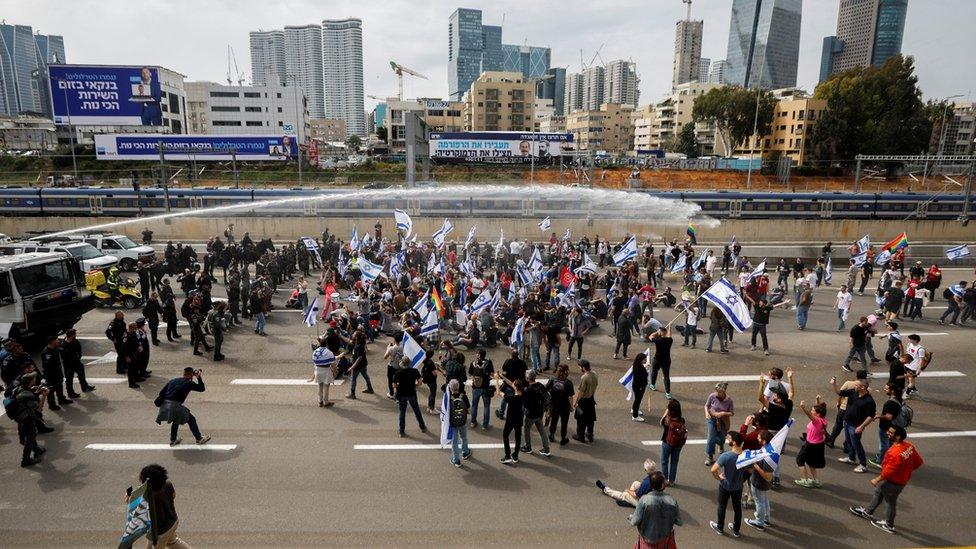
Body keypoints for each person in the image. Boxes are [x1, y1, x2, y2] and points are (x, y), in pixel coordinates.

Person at [850, 426, 924, 534]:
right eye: (888, 430)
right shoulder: (909, 446)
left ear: (898, 436)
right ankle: (868, 512)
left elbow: (889, 471)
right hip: (899, 480)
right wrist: (905, 470)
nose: (887, 433)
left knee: (890, 502)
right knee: (879, 493)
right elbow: (918, 462)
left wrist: (877, 479)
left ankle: (889, 525)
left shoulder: (895, 453)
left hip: (893, 482)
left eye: (891, 432)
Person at [132, 464, 191, 548]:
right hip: (173, 521)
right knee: (172, 541)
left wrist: (129, 498)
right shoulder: (168, 484)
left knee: (158, 545)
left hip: (161, 531)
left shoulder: (149, 496)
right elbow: (173, 495)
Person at [155, 367, 210, 446]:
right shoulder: (188, 383)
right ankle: (199, 439)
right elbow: (202, 388)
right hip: (175, 406)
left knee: (176, 419)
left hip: (165, 405)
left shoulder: (173, 380)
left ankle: (173, 440)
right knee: (191, 419)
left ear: (183, 373)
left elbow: (161, 393)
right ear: (191, 375)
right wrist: (198, 377)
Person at [831, 375, 875, 473]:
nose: (854, 386)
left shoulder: (869, 401)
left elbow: (871, 416)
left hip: (856, 426)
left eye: (856, 385)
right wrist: (834, 384)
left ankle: (863, 464)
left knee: (856, 444)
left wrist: (861, 426)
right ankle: (851, 458)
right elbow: (840, 392)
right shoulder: (853, 392)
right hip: (847, 422)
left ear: (863, 387)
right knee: (849, 441)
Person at [629, 471, 682, 549]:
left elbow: (634, 522)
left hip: (647, 541)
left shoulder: (644, 500)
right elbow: (679, 522)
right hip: (664, 541)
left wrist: (631, 517)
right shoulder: (672, 501)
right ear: (663, 485)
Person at [709, 431, 747, 538]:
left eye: (729, 438)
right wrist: (742, 478)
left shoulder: (726, 456)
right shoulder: (745, 455)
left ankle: (720, 528)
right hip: (738, 486)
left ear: (734, 442)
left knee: (722, 506)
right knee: (737, 508)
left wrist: (719, 478)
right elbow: (751, 470)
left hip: (725, 485)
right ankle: (736, 530)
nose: (728, 439)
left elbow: (713, 470)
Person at [10, 373, 47, 467]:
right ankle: (25, 460)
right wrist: (44, 395)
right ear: (30, 381)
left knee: (31, 434)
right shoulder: (27, 395)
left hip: (19, 417)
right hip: (26, 418)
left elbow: (27, 393)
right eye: (34, 379)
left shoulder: (18, 389)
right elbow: (39, 408)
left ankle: (36, 450)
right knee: (30, 437)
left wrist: (37, 390)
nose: (35, 380)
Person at [744, 430, 775, 532]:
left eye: (759, 438)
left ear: (764, 441)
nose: (757, 438)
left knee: (759, 502)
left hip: (759, 483)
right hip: (763, 484)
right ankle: (766, 519)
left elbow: (768, 476)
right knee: (764, 500)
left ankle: (759, 522)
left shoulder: (768, 457)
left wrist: (756, 466)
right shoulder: (769, 449)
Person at [795, 397, 828, 488]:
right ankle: (815, 480)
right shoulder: (823, 420)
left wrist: (803, 407)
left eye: (813, 410)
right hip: (819, 444)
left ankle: (805, 480)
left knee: (800, 460)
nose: (811, 410)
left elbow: (809, 414)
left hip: (810, 445)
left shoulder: (816, 421)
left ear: (817, 414)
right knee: (811, 462)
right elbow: (820, 409)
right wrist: (817, 401)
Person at [869, 383, 904, 469]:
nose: (884, 389)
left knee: (884, 445)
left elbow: (889, 416)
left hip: (886, 427)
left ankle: (880, 461)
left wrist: (878, 416)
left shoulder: (891, 403)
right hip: (894, 426)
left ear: (892, 391)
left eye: (886, 389)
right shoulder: (898, 399)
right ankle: (887, 458)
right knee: (890, 444)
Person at [392, 356, 427, 437]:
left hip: (402, 394)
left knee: (402, 412)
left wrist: (399, 386)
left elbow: (394, 385)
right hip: (412, 393)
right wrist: (415, 385)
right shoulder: (414, 371)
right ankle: (422, 427)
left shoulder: (398, 372)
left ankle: (402, 431)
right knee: (416, 410)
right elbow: (420, 382)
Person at [521, 370, 551, 457]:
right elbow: (547, 397)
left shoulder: (528, 390)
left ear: (527, 378)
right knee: (542, 431)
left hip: (530, 414)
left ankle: (528, 447)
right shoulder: (540, 386)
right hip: (539, 413)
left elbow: (525, 404)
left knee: (526, 430)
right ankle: (546, 449)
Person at [497, 373, 524, 465]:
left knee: (505, 435)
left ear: (515, 388)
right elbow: (511, 383)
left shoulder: (512, 398)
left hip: (511, 419)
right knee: (518, 437)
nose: (512, 384)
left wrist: (497, 380)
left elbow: (498, 392)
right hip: (519, 418)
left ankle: (507, 456)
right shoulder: (522, 394)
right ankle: (515, 455)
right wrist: (502, 376)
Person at [704, 382, 734, 466]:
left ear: (723, 392)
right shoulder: (712, 396)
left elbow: (732, 413)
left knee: (721, 438)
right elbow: (706, 406)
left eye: (719, 392)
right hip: (712, 419)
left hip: (723, 420)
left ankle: (721, 446)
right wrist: (707, 413)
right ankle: (710, 458)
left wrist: (723, 413)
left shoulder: (729, 400)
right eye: (716, 391)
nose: (716, 393)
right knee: (711, 438)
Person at [546, 364, 575, 446]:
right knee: (564, 423)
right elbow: (570, 397)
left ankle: (551, 435)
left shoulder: (552, 380)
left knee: (554, 421)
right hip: (565, 407)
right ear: (566, 371)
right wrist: (571, 406)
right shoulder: (568, 383)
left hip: (554, 405)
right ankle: (563, 438)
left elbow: (546, 389)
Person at [40, 335, 70, 410]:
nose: (58, 341)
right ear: (52, 342)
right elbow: (47, 365)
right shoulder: (47, 353)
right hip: (51, 374)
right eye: (56, 340)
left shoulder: (55, 348)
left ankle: (61, 399)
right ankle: (52, 405)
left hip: (58, 372)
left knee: (59, 386)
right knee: (51, 390)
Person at [60, 329, 94, 396]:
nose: (76, 335)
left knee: (81, 375)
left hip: (76, 362)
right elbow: (63, 356)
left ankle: (84, 387)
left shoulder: (75, 341)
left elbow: (79, 350)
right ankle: (70, 393)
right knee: (69, 379)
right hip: (68, 365)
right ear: (72, 335)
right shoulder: (63, 345)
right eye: (75, 334)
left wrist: (78, 357)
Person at [660, 399, 686, 486]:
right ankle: (672, 481)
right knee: (674, 462)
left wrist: (666, 412)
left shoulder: (668, 420)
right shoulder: (682, 420)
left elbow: (661, 422)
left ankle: (665, 480)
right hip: (678, 444)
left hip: (667, 442)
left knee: (664, 461)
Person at [446, 379, 471, 467]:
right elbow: (469, 411)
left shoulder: (448, 398)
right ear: (458, 387)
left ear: (450, 387)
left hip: (453, 423)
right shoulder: (463, 396)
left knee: (454, 442)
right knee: (464, 437)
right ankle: (465, 452)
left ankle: (456, 460)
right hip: (462, 421)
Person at [572, 359, 598, 443]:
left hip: (583, 401)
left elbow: (581, 392)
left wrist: (575, 402)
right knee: (590, 418)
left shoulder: (584, 377)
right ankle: (590, 434)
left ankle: (581, 436)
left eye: (580, 367)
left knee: (581, 419)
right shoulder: (594, 374)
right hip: (591, 399)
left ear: (583, 368)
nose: (579, 368)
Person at [468, 349, 494, 430]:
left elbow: (470, 373)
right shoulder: (488, 362)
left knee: (474, 405)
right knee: (486, 406)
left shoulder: (473, 363)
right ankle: (485, 426)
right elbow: (492, 374)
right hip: (486, 387)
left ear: (478, 355)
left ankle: (473, 422)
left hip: (475, 387)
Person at [308, 337, 338, 407]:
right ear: (326, 344)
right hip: (326, 370)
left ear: (319, 343)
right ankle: (326, 402)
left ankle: (320, 401)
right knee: (326, 387)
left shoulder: (315, 352)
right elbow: (333, 364)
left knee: (320, 386)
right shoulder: (329, 352)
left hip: (318, 370)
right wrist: (334, 372)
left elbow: (314, 362)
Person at [345, 330, 374, 399]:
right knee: (365, 375)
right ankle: (370, 388)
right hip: (364, 364)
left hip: (358, 366)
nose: (352, 334)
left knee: (353, 379)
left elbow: (359, 358)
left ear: (357, 337)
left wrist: (352, 367)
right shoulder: (359, 341)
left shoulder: (359, 346)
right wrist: (340, 336)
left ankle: (352, 394)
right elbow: (349, 341)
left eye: (354, 334)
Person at [649, 326, 673, 400]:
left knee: (654, 372)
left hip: (657, 359)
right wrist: (670, 327)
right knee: (666, 376)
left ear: (661, 332)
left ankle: (652, 385)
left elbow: (651, 336)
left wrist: (657, 332)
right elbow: (669, 335)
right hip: (666, 360)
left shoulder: (658, 340)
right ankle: (668, 393)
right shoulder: (669, 340)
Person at [629, 353, 649, 422]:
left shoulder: (637, 365)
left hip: (637, 386)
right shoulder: (638, 368)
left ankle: (634, 409)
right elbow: (640, 378)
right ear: (640, 360)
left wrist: (645, 367)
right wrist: (641, 387)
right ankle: (635, 415)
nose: (645, 360)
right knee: (638, 400)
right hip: (639, 387)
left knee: (637, 399)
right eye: (644, 359)